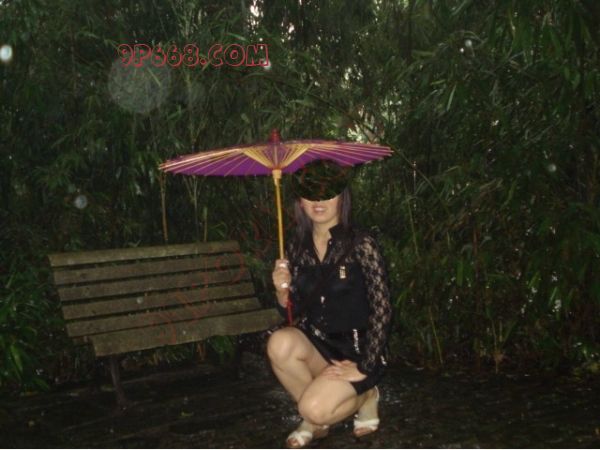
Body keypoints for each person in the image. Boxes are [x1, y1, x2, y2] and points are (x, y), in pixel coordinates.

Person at [267, 160, 393, 448]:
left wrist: (365, 365)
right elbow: (292, 312)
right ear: (300, 201)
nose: (318, 201)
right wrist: (281, 291)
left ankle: (366, 395)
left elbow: (382, 308)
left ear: (341, 197)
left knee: (313, 408)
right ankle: (317, 418)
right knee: (279, 343)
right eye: (310, 194)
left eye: (327, 193)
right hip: (318, 344)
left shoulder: (361, 243)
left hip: (358, 348)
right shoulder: (296, 246)